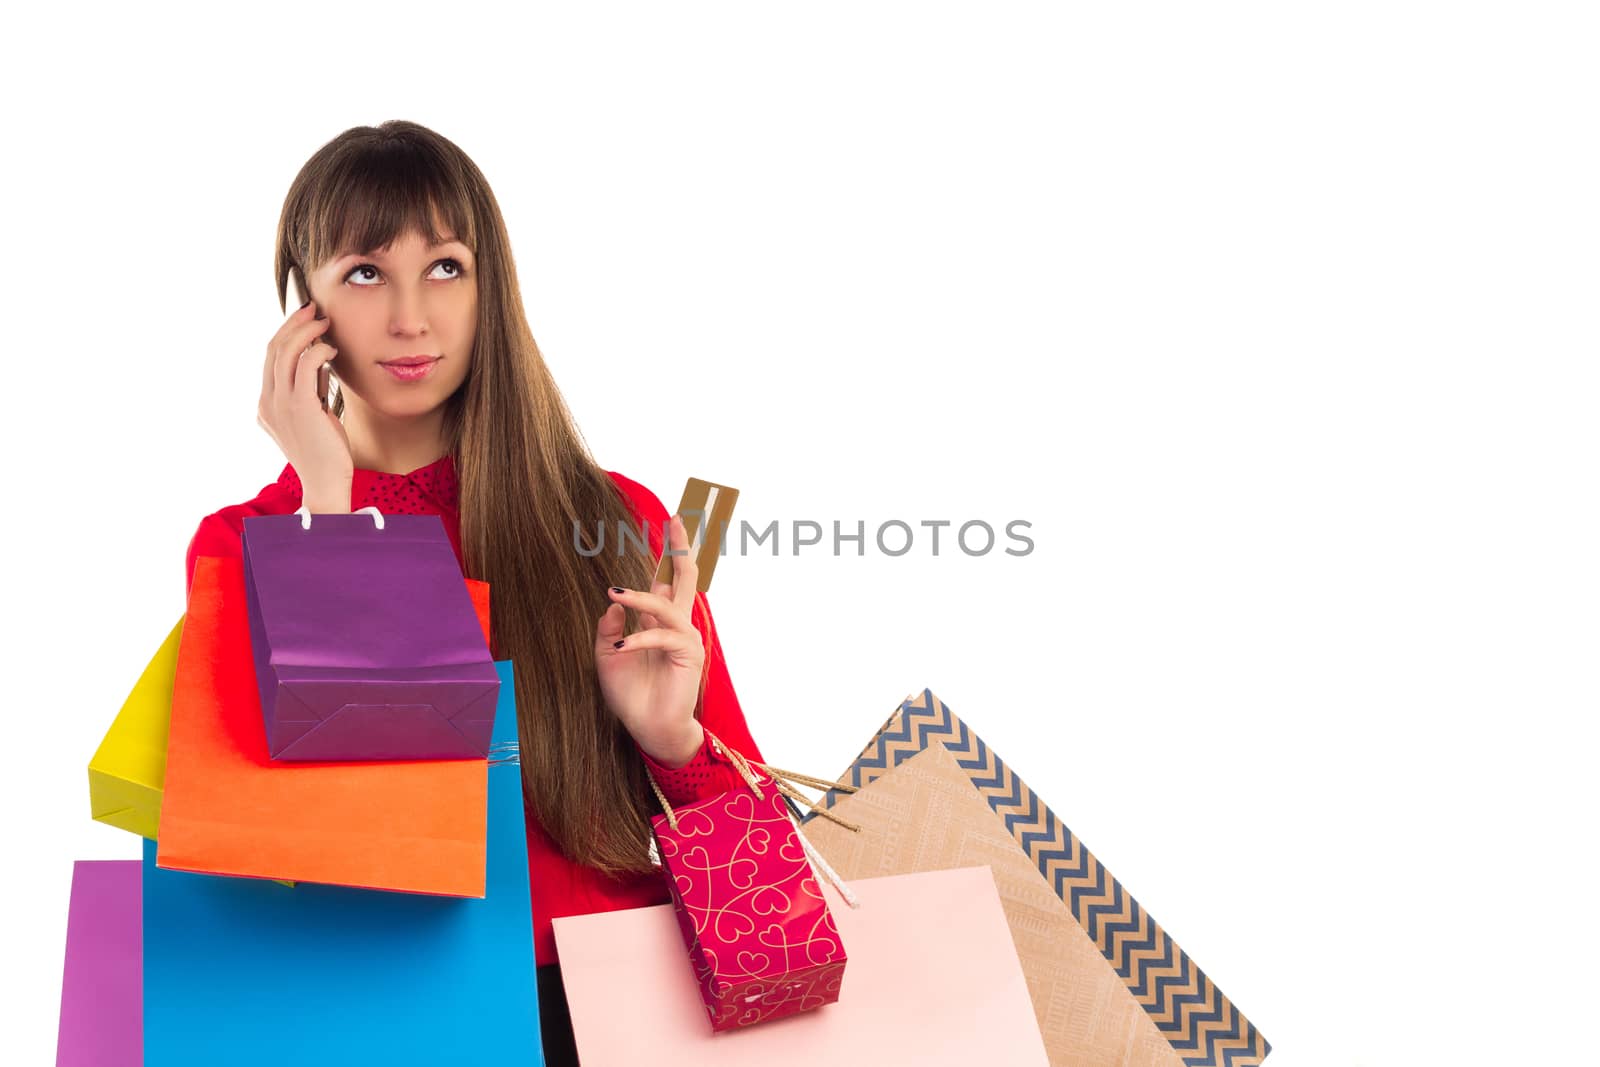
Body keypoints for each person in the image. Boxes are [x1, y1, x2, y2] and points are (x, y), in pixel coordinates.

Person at [182, 120, 766, 1066]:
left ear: (492, 287)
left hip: (617, 1013)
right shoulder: (243, 546)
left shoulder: (616, 516)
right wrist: (326, 512)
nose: (411, 318)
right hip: (380, 1018)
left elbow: (758, 881)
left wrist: (671, 742)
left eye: (446, 267)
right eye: (365, 272)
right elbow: (284, 844)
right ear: (304, 306)